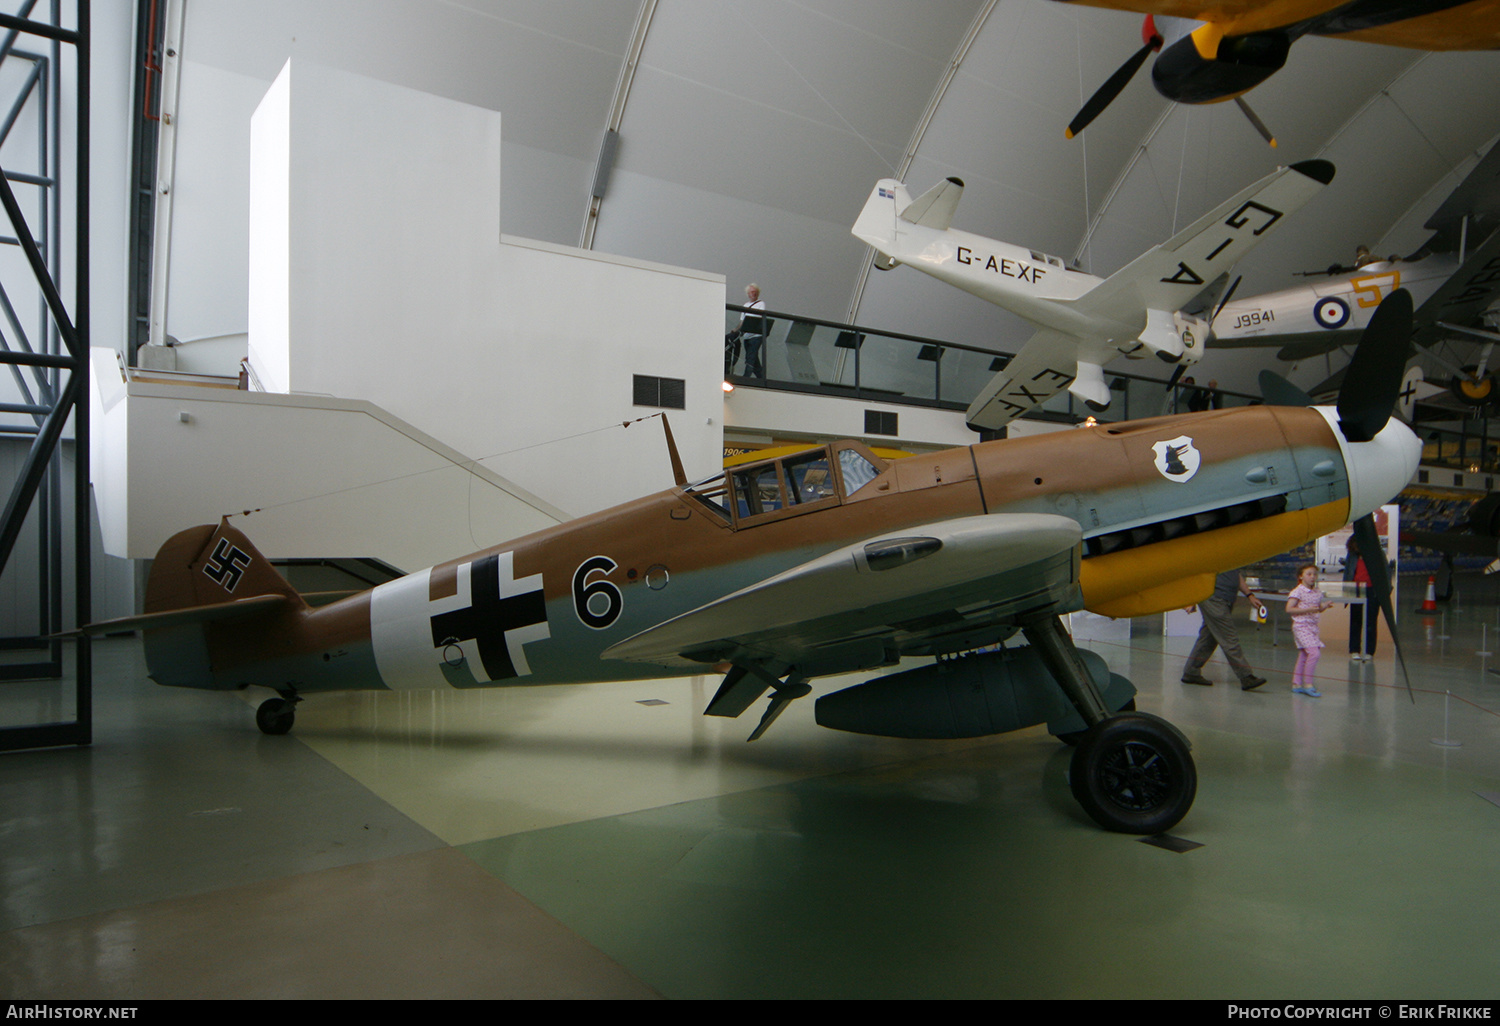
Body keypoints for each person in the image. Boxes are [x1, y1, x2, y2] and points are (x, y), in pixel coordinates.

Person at [1182, 568, 1269, 690]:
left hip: (1226, 599)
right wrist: (1191, 599)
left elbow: (1236, 575)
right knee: (1229, 637)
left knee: (1209, 638)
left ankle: (1191, 672)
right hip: (1213, 598)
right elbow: (1195, 574)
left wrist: (1250, 595)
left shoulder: (1230, 556)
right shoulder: (1211, 554)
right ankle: (1246, 676)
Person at [1286, 563, 1337, 697]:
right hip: (1301, 626)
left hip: (1312, 626)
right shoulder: (1298, 591)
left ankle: (1296, 683)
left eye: (1314, 574)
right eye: (1309, 574)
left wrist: (1324, 606)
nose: (1312, 577)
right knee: (1314, 653)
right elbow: (1289, 608)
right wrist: (1307, 609)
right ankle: (1308, 684)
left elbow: (1317, 608)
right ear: (1301, 576)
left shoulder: (1317, 591)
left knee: (1304, 654)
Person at [1344, 535, 1379, 660]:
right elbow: (1348, 572)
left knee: (1371, 620)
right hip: (1356, 590)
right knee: (1355, 620)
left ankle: (1369, 651)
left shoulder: (1375, 554)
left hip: (1371, 590)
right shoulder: (1352, 556)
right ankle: (1354, 649)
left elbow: (1384, 570)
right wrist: (1346, 591)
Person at [738, 283, 766, 379]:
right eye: (751, 292)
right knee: (753, 358)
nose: (753, 294)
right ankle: (761, 378)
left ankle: (746, 377)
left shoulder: (761, 304)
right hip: (747, 336)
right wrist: (736, 329)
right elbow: (742, 320)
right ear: (748, 294)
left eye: (755, 292)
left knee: (750, 357)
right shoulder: (745, 305)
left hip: (756, 336)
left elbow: (758, 317)